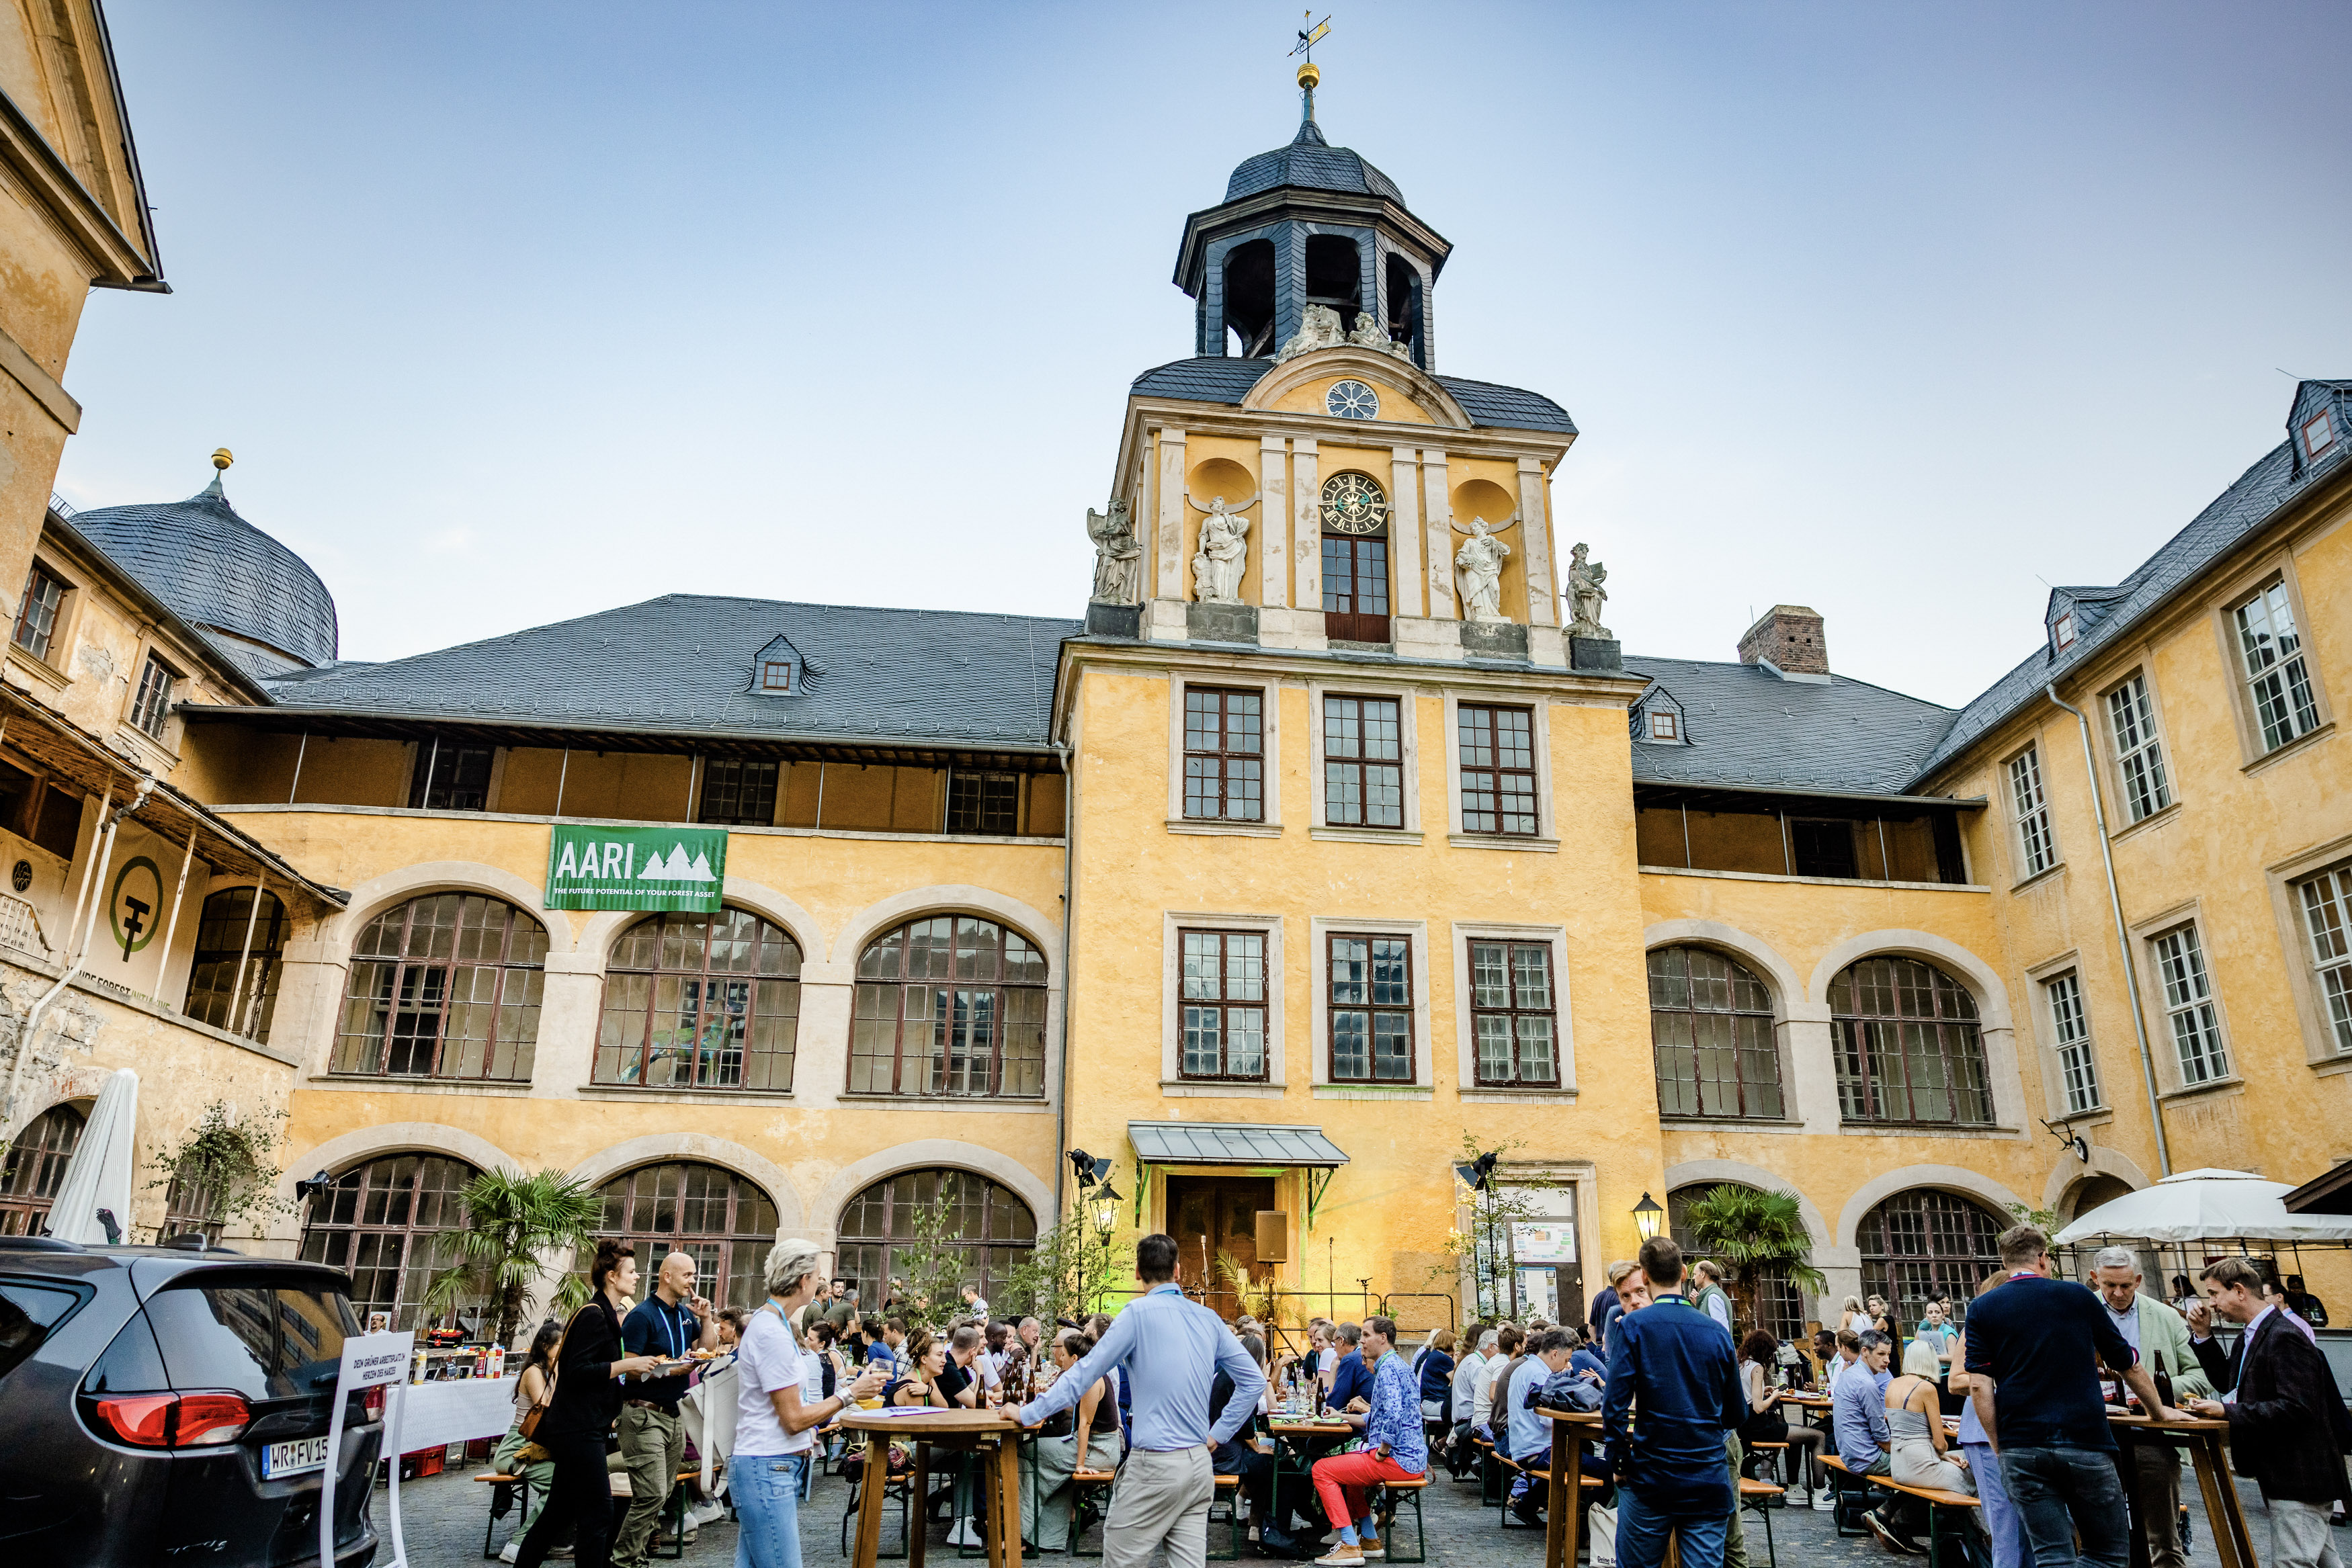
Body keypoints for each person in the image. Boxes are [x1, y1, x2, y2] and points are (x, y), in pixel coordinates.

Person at [1002, 1233, 1264, 1568]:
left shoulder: (1136, 1314)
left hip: (1155, 1464)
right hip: (1198, 1464)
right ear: (1179, 1272)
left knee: (1122, 1562)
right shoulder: (1209, 1319)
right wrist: (1218, 1434)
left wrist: (1027, 1413)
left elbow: (1085, 1371)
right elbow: (1254, 1380)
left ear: (1138, 1272)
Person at [1966, 1225, 2177, 1568]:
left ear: (2005, 1262)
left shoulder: (1982, 1307)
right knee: (2107, 1555)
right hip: (2084, 1440)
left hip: (2021, 1443)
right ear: (2043, 1258)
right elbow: (2129, 1365)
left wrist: (1999, 1446)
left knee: (2052, 1556)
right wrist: (2159, 1413)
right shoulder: (2077, 1296)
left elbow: (1979, 1386)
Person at [731, 1239, 888, 1568]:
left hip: (767, 1463)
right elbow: (793, 1419)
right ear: (803, 1281)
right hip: (767, 1465)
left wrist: (807, 1432)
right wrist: (850, 1394)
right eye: (818, 1276)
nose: (822, 1284)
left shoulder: (772, 1325)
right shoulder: (772, 1331)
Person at [2187, 1256, 2352, 1568]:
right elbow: (2227, 1381)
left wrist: (2227, 1411)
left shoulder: (2284, 1335)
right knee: (2325, 1560)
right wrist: (2204, 1336)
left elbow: (2298, 1407)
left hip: (2300, 1472)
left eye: (2213, 1294)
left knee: (2292, 1562)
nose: (2211, 1304)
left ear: (2238, 1291)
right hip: (2285, 1472)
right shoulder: (2249, 1335)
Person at [514, 1241, 667, 1568]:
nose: (638, 1276)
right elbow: (578, 1372)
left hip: (583, 1427)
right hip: (579, 1430)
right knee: (598, 1513)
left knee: (558, 1513)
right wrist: (629, 1366)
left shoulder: (606, 1315)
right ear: (612, 1277)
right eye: (631, 1271)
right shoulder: (595, 1315)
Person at [1603, 1237, 1747, 1568]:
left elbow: (1614, 1405)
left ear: (1648, 1279)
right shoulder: (1716, 1332)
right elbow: (1736, 1412)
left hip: (1653, 1475)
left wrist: (1619, 1459)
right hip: (1706, 1476)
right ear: (1684, 1273)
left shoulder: (1635, 1327)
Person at [2087, 1245, 2214, 1568]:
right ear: (2094, 1279)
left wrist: (2156, 1393)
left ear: (2139, 1280)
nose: (2117, 1294)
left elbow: (2201, 1377)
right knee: (2100, 1537)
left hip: (2153, 1437)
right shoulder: (2080, 1316)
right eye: (2109, 1285)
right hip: (2097, 1438)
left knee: (2163, 1537)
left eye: (2126, 1286)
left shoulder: (2166, 1315)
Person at [613, 1250, 720, 1568]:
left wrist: (706, 1318)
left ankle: (638, 1555)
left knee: (663, 1490)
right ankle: (623, 1559)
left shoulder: (683, 1313)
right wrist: (667, 1370)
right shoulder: (642, 1315)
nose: (693, 1282)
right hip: (644, 1413)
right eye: (687, 1275)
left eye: (694, 1276)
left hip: (674, 1414)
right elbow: (627, 1367)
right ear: (667, 1276)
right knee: (653, 1493)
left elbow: (707, 1349)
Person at [1310, 1316, 1429, 1565]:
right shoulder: (1395, 1364)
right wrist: (1341, 1415)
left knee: (1322, 1470)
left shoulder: (1387, 1368)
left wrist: (1383, 1451)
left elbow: (1394, 1416)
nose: (1361, 1341)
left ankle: (1349, 1546)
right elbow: (1375, 1416)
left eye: (1366, 1335)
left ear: (1382, 1338)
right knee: (1348, 1473)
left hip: (1397, 1460)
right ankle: (1370, 1540)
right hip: (1409, 1458)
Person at [1951, 1272, 2035, 1568]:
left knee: (2032, 1523)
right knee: (2005, 1524)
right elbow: (1956, 1381)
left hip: (2023, 1431)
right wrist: (2000, 1381)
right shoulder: (1975, 1328)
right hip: (1983, 1434)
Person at [1021, 1327, 1125, 1551]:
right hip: (1098, 1447)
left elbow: (1085, 1424)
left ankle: (1022, 1532)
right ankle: (1041, 1536)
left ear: (1075, 1358)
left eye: (1064, 1355)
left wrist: (1079, 1465)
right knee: (1043, 1462)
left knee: (1026, 1452)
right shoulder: (1095, 1372)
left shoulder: (1090, 1378)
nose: (1061, 1359)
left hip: (1099, 1451)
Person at [1834, 1330, 1916, 1551]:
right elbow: (1882, 1438)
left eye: (1889, 1354)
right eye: (1881, 1354)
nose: (1887, 1360)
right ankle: (1886, 1515)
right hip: (1866, 1458)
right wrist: (1908, 1449)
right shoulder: (1867, 1384)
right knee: (1924, 1469)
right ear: (1865, 1351)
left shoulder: (1849, 1374)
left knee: (1918, 1464)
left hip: (1850, 1453)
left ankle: (1889, 1516)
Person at [491, 1319, 563, 1563]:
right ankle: (519, 1543)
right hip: (518, 1447)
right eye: (561, 1346)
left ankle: (557, 1538)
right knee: (560, 1485)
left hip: (539, 1446)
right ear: (546, 1346)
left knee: (577, 1477)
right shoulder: (535, 1371)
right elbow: (548, 1407)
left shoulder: (552, 1372)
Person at [1737, 1329, 1824, 1507]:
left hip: (1744, 1423)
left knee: (1786, 1426)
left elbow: (1748, 1395)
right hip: (1758, 1425)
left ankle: (1785, 1483)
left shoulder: (1742, 1364)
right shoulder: (1757, 1368)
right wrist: (1774, 1395)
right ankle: (1820, 1492)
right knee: (1818, 1436)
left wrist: (1764, 1390)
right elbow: (1759, 1407)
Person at [1501, 1327, 1577, 1526]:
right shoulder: (1541, 1375)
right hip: (1535, 1451)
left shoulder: (1525, 1367)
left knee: (1581, 1453)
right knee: (1602, 1470)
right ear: (1554, 1354)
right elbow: (1549, 1420)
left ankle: (1525, 1506)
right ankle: (1580, 1528)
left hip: (1521, 1445)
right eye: (1567, 1359)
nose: (1567, 1364)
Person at [1886, 1355, 1972, 1497]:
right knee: (1972, 1475)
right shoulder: (1925, 1388)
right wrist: (1943, 1452)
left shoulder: (1892, 1384)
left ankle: (1890, 1513)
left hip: (1898, 1467)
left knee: (1959, 1460)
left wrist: (1944, 1456)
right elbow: (1940, 1445)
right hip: (1922, 1469)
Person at [1450, 1328, 1495, 1473]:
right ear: (1491, 1347)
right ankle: (1486, 1472)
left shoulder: (1471, 1360)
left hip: (1464, 1419)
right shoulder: (1477, 1366)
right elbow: (1487, 1396)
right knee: (1504, 1435)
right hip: (1468, 1422)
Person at [1326, 1322, 1371, 1414]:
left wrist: (1333, 1368)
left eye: (1334, 1343)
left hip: (1359, 1422)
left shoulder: (1350, 1360)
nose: (1334, 1349)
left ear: (1341, 1340)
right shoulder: (1359, 1356)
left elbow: (1334, 1405)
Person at [1418, 1327, 1456, 1425]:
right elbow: (1456, 1380)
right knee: (1465, 1412)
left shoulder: (1434, 1355)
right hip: (1435, 1404)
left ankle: (1442, 1440)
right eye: (1455, 1343)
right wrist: (1456, 1360)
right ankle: (1446, 1440)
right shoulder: (1443, 1359)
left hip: (1428, 1403)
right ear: (1449, 1343)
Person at [1690, 1261, 1735, 1337]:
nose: (1693, 1278)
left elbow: (1721, 1332)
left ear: (1703, 1274)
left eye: (1695, 1274)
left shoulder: (1713, 1296)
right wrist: (1697, 1303)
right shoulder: (1711, 1294)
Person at [1592, 1272, 1627, 1342]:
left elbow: (1591, 1328)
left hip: (1599, 1347)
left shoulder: (1598, 1296)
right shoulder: (1622, 1297)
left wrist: (1600, 1345)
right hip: (1615, 1345)